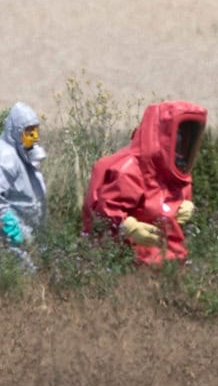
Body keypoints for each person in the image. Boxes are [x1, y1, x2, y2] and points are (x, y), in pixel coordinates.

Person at [82, 101, 207, 266]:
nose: (180, 148)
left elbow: (176, 201)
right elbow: (106, 213)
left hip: (171, 263)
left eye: (183, 140)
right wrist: (128, 227)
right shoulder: (130, 170)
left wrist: (188, 206)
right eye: (176, 139)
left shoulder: (177, 174)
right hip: (131, 267)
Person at [0, 102, 47, 272]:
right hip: (4, 236)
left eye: (36, 131)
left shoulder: (20, 155)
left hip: (24, 234)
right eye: (30, 132)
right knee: (14, 279)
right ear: (16, 131)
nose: (35, 137)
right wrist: (10, 226)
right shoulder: (0, 156)